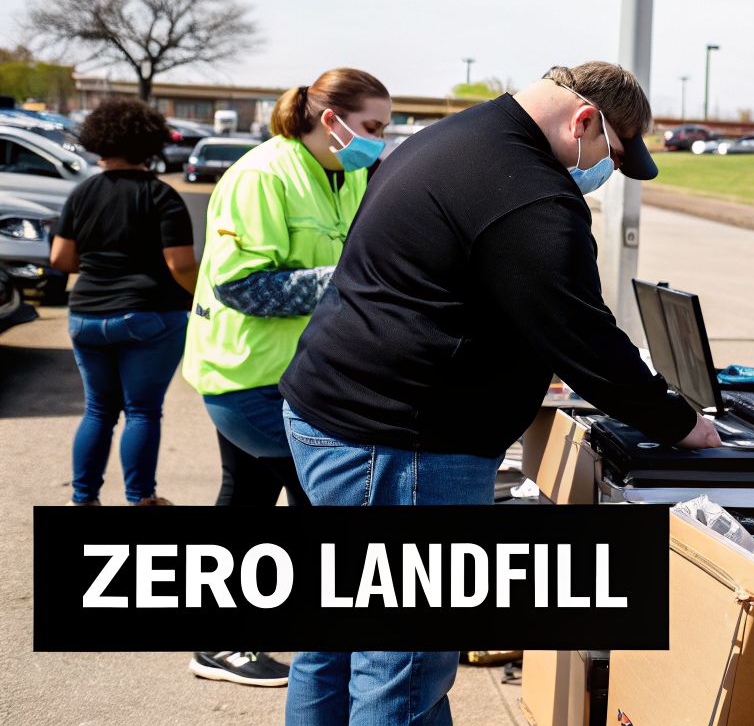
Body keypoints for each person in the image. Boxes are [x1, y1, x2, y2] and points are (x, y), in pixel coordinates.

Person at [278, 62, 718, 725]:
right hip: (402, 446)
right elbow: (584, 334)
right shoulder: (533, 195)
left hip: (328, 412)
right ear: (584, 123)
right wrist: (681, 422)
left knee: (337, 639)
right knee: (403, 670)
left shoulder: (452, 138)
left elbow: (461, 280)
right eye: (611, 156)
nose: (602, 172)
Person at [180, 67, 392, 688]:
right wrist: (356, 285)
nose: (379, 140)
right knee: (325, 506)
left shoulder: (345, 172)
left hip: (289, 375)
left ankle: (217, 640)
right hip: (251, 378)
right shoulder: (262, 174)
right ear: (331, 119)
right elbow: (243, 286)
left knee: (244, 501)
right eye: (372, 126)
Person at [49, 98, 197, 508]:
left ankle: (83, 499)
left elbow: (61, 260)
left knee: (98, 411)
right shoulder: (163, 197)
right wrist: (205, 295)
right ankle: (141, 499)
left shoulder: (82, 194)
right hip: (149, 315)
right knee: (143, 411)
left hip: (87, 316)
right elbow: (180, 265)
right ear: (149, 142)